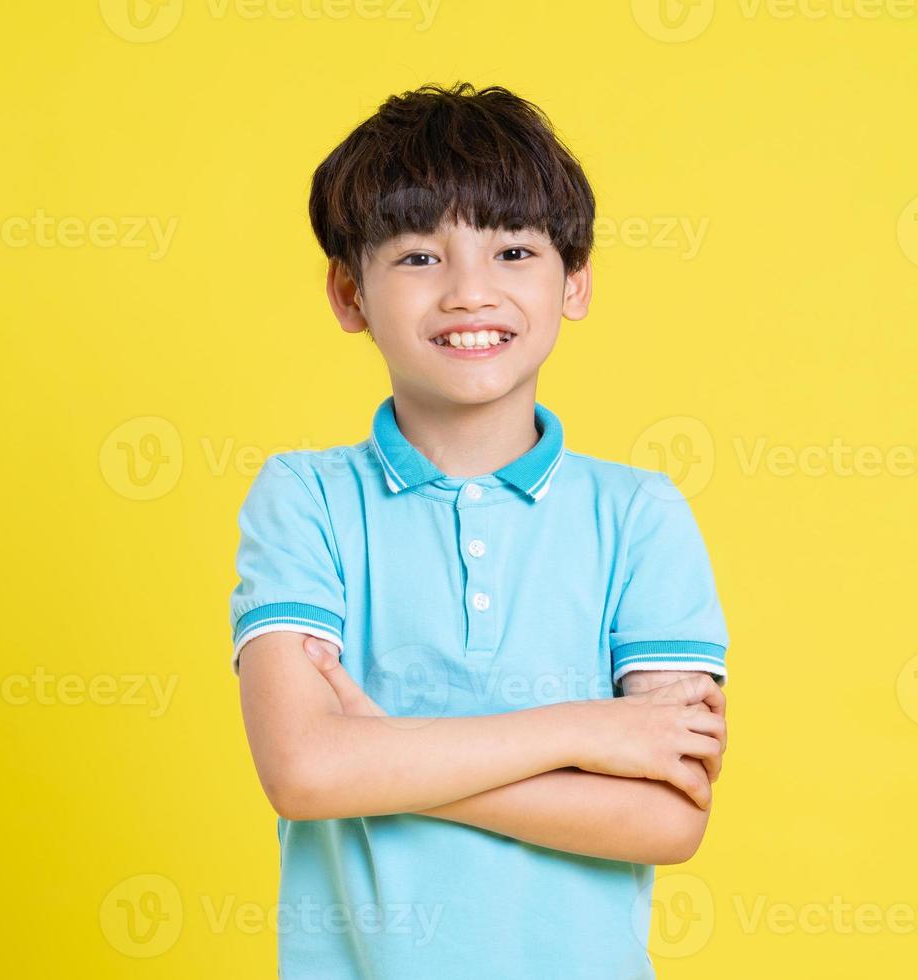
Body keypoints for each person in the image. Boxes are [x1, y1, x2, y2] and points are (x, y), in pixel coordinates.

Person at [230, 81, 730, 979]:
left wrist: (386, 752)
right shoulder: (305, 497)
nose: (469, 293)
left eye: (512, 251)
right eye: (420, 258)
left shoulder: (639, 516)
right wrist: (587, 731)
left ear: (574, 282)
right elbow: (305, 771)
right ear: (350, 293)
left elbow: (668, 819)